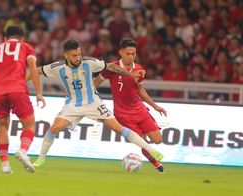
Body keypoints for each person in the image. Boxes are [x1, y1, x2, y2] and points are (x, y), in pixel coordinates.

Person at [27, 39, 163, 168]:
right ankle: (41, 158)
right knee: (54, 128)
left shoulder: (89, 62)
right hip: (73, 105)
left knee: (118, 128)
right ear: (66, 55)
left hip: (94, 103)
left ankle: (151, 150)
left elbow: (111, 67)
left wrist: (129, 74)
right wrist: (21, 82)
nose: (77, 58)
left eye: (79, 54)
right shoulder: (57, 67)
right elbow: (36, 70)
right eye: (74, 55)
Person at [94, 38, 167, 172]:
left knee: (158, 140)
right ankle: (156, 164)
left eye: (133, 54)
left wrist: (156, 106)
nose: (131, 56)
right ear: (121, 52)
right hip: (123, 114)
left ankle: (144, 131)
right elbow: (96, 82)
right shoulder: (113, 68)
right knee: (144, 144)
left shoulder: (139, 69)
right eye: (128, 53)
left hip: (140, 110)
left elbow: (141, 91)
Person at [0, 26, 46, 174]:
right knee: (29, 123)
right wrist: (39, 93)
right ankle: (23, 151)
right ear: (22, 38)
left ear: (5, 38)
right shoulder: (26, 47)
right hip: (17, 88)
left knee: (2, 126)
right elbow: (33, 69)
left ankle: (4, 164)